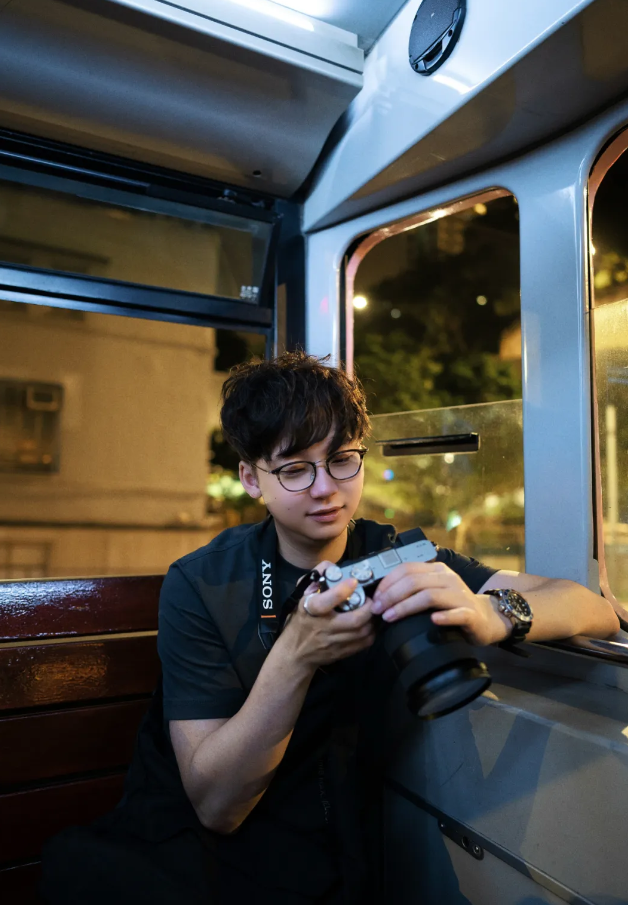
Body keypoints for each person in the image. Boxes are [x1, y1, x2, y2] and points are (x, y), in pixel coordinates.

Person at [40, 352, 619, 905]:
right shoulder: (203, 583)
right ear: (251, 478)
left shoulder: (394, 555)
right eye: (295, 469)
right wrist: (296, 653)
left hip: (345, 841)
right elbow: (216, 806)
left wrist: (492, 614)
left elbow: (591, 608)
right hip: (199, 859)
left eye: (342, 459)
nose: (325, 488)